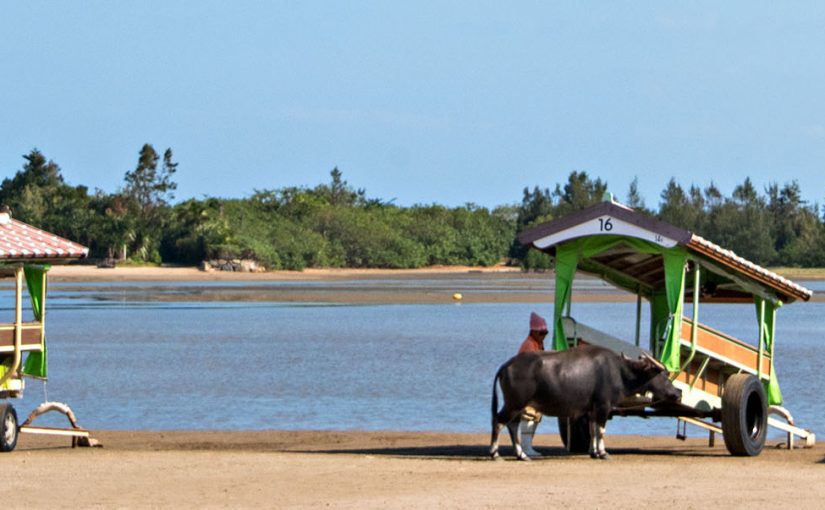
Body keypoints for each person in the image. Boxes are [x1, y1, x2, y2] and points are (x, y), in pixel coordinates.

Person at [516, 311, 548, 457]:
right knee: (529, 414)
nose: (543, 336)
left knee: (536, 415)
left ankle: (527, 446)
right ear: (534, 332)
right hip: (526, 386)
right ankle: (525, 446)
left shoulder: (538, 344)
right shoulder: (529, 346)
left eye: (545, 333)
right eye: (541, 333)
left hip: (535, 386)